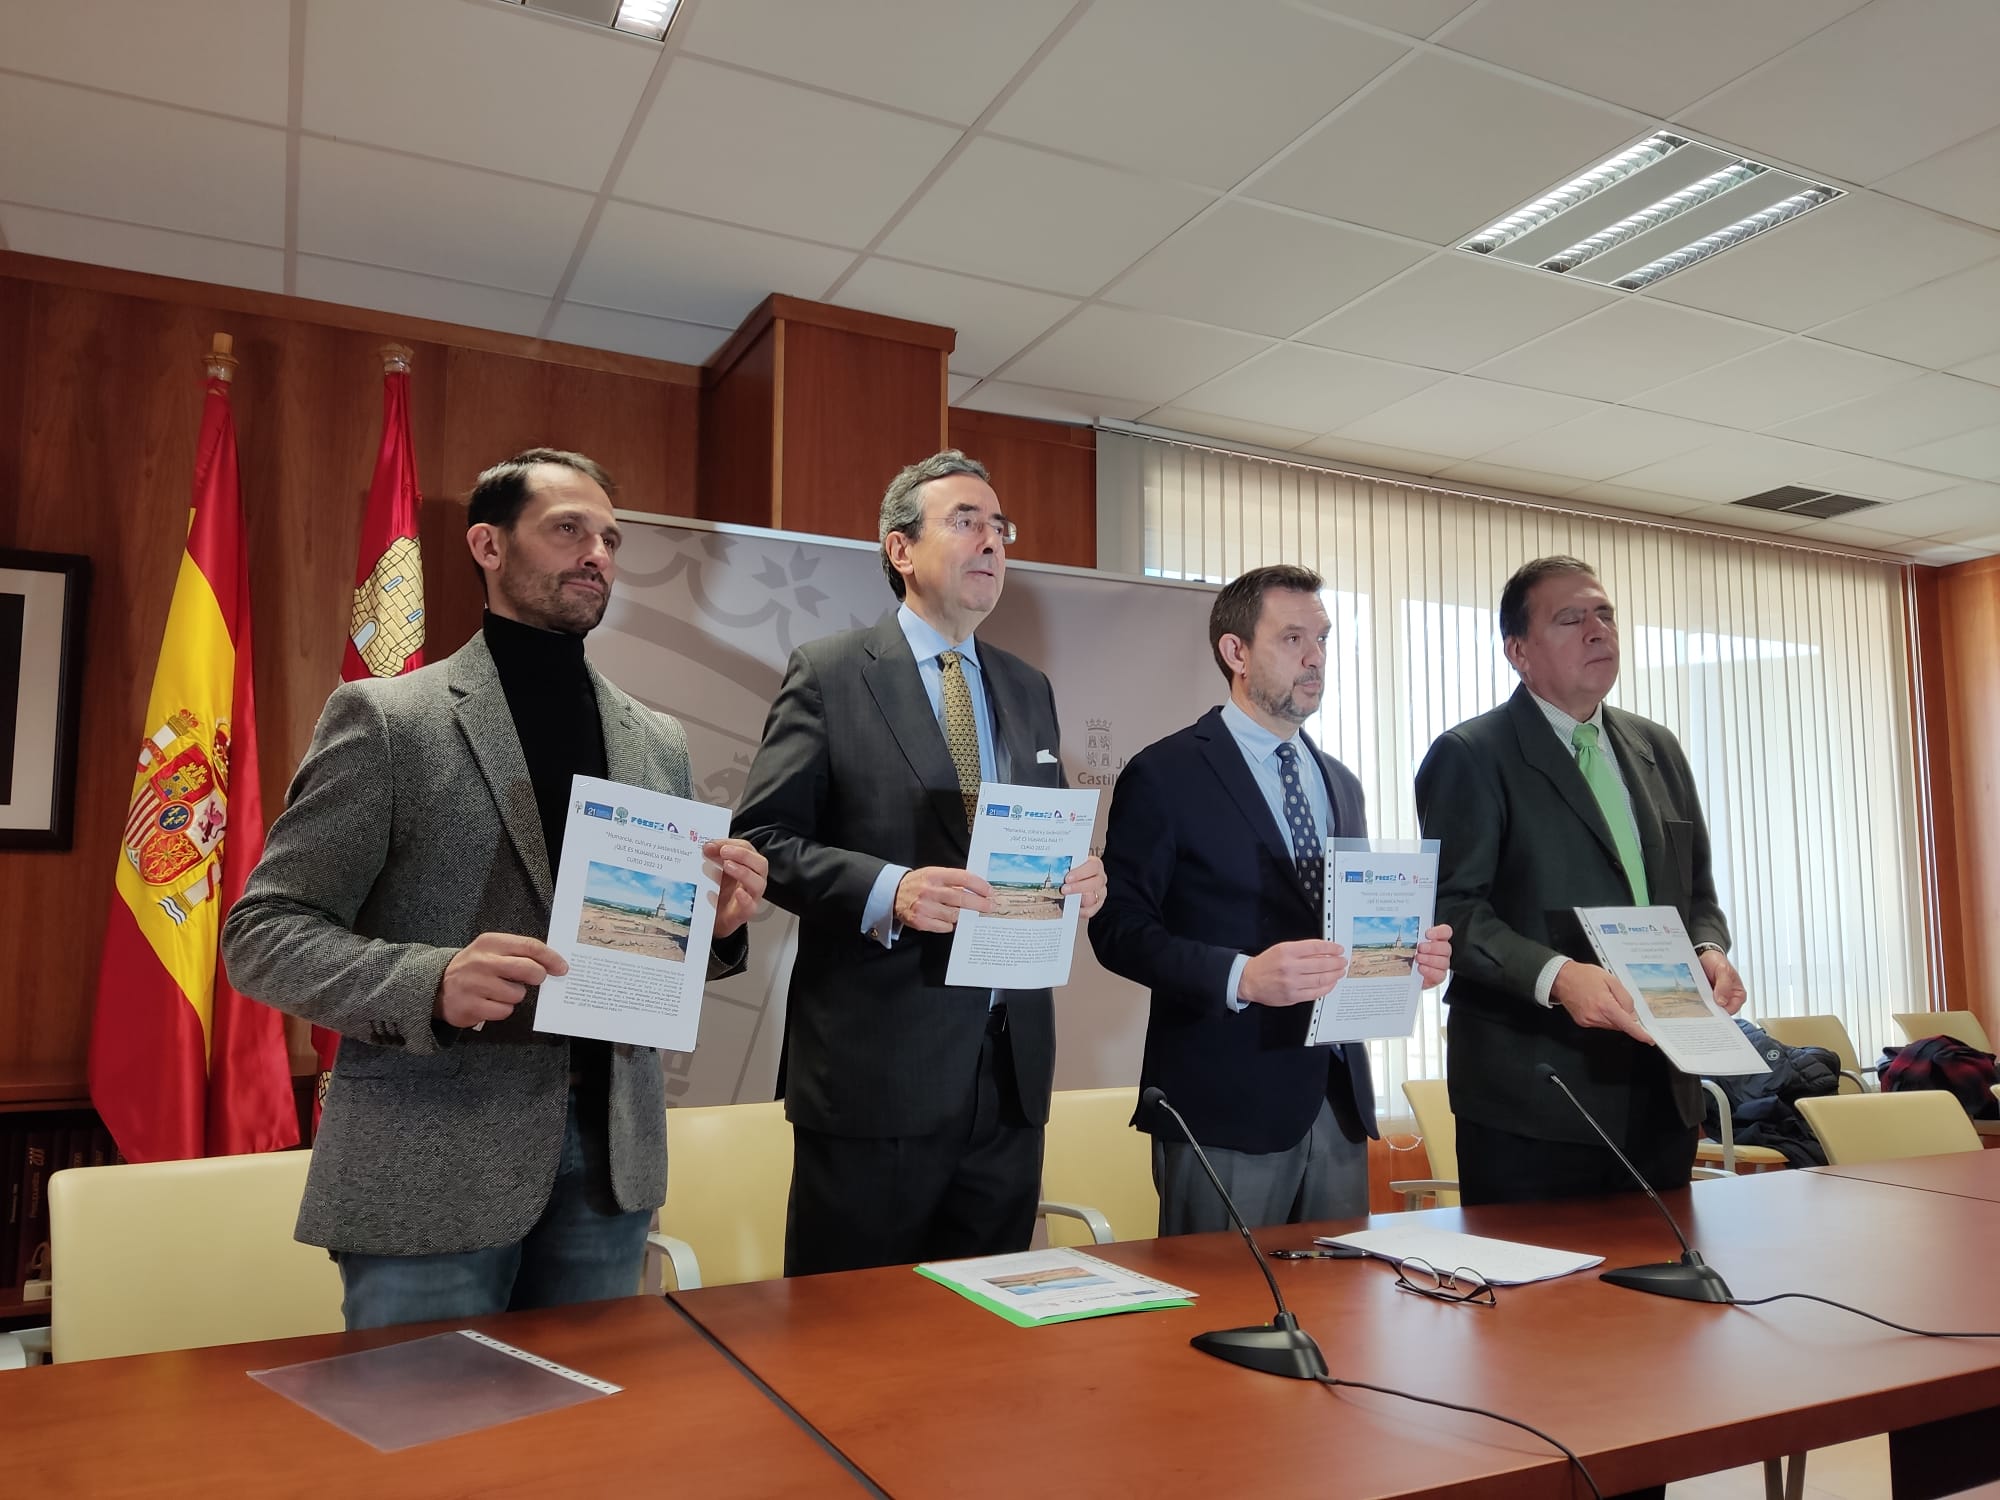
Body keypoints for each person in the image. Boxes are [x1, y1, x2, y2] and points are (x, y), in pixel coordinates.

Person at [223, 448, 767, 1330]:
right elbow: (265, 933)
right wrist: (429, 983)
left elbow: (634, 953)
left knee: (578, 1453)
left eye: (611, 539)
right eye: (568, 530)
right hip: (431, 1163)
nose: (598, 553)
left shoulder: (656, 740)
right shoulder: (389, 721)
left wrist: (717, 925)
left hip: (612, 1160)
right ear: (487, 544)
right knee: (427, 1447)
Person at [733, 450, 1106, 1276]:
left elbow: (1039, 835)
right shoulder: (831, 674)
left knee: (982, 1343)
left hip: (1009, 1073)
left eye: (1000, 527)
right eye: (966, 521)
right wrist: (889, 889)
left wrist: (1083, 874)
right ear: (900, 551)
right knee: (851, 1347)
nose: (992, 542)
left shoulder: (1026, 685)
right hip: (878, 1074)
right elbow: (764, 841)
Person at [1091, 565, 1450, 1234]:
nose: (1315, 658)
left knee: (1339, 1324)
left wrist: (1409, 958)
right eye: (1292, 639)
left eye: (1322, 639)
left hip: (1336, 1103)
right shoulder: (1166, 773)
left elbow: (1349, 928)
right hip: (1222, 1105)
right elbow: (1117, 927)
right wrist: (1241, 976)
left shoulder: (1341, 783)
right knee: (1221, 1322)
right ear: (1235, 652)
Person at [1414, 555, 1745, 1210]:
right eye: (1571, 619)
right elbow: (1454, 909)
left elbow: (1696, 893)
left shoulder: (1659, 748)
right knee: (1538, 1307)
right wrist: (1559, 976)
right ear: (1518, 651)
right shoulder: (1473, 754)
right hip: (1534, 1098)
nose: (1598, 630)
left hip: (1661, 1089)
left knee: (1667, 1303)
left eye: (1605, 613)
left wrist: (1710, 949)